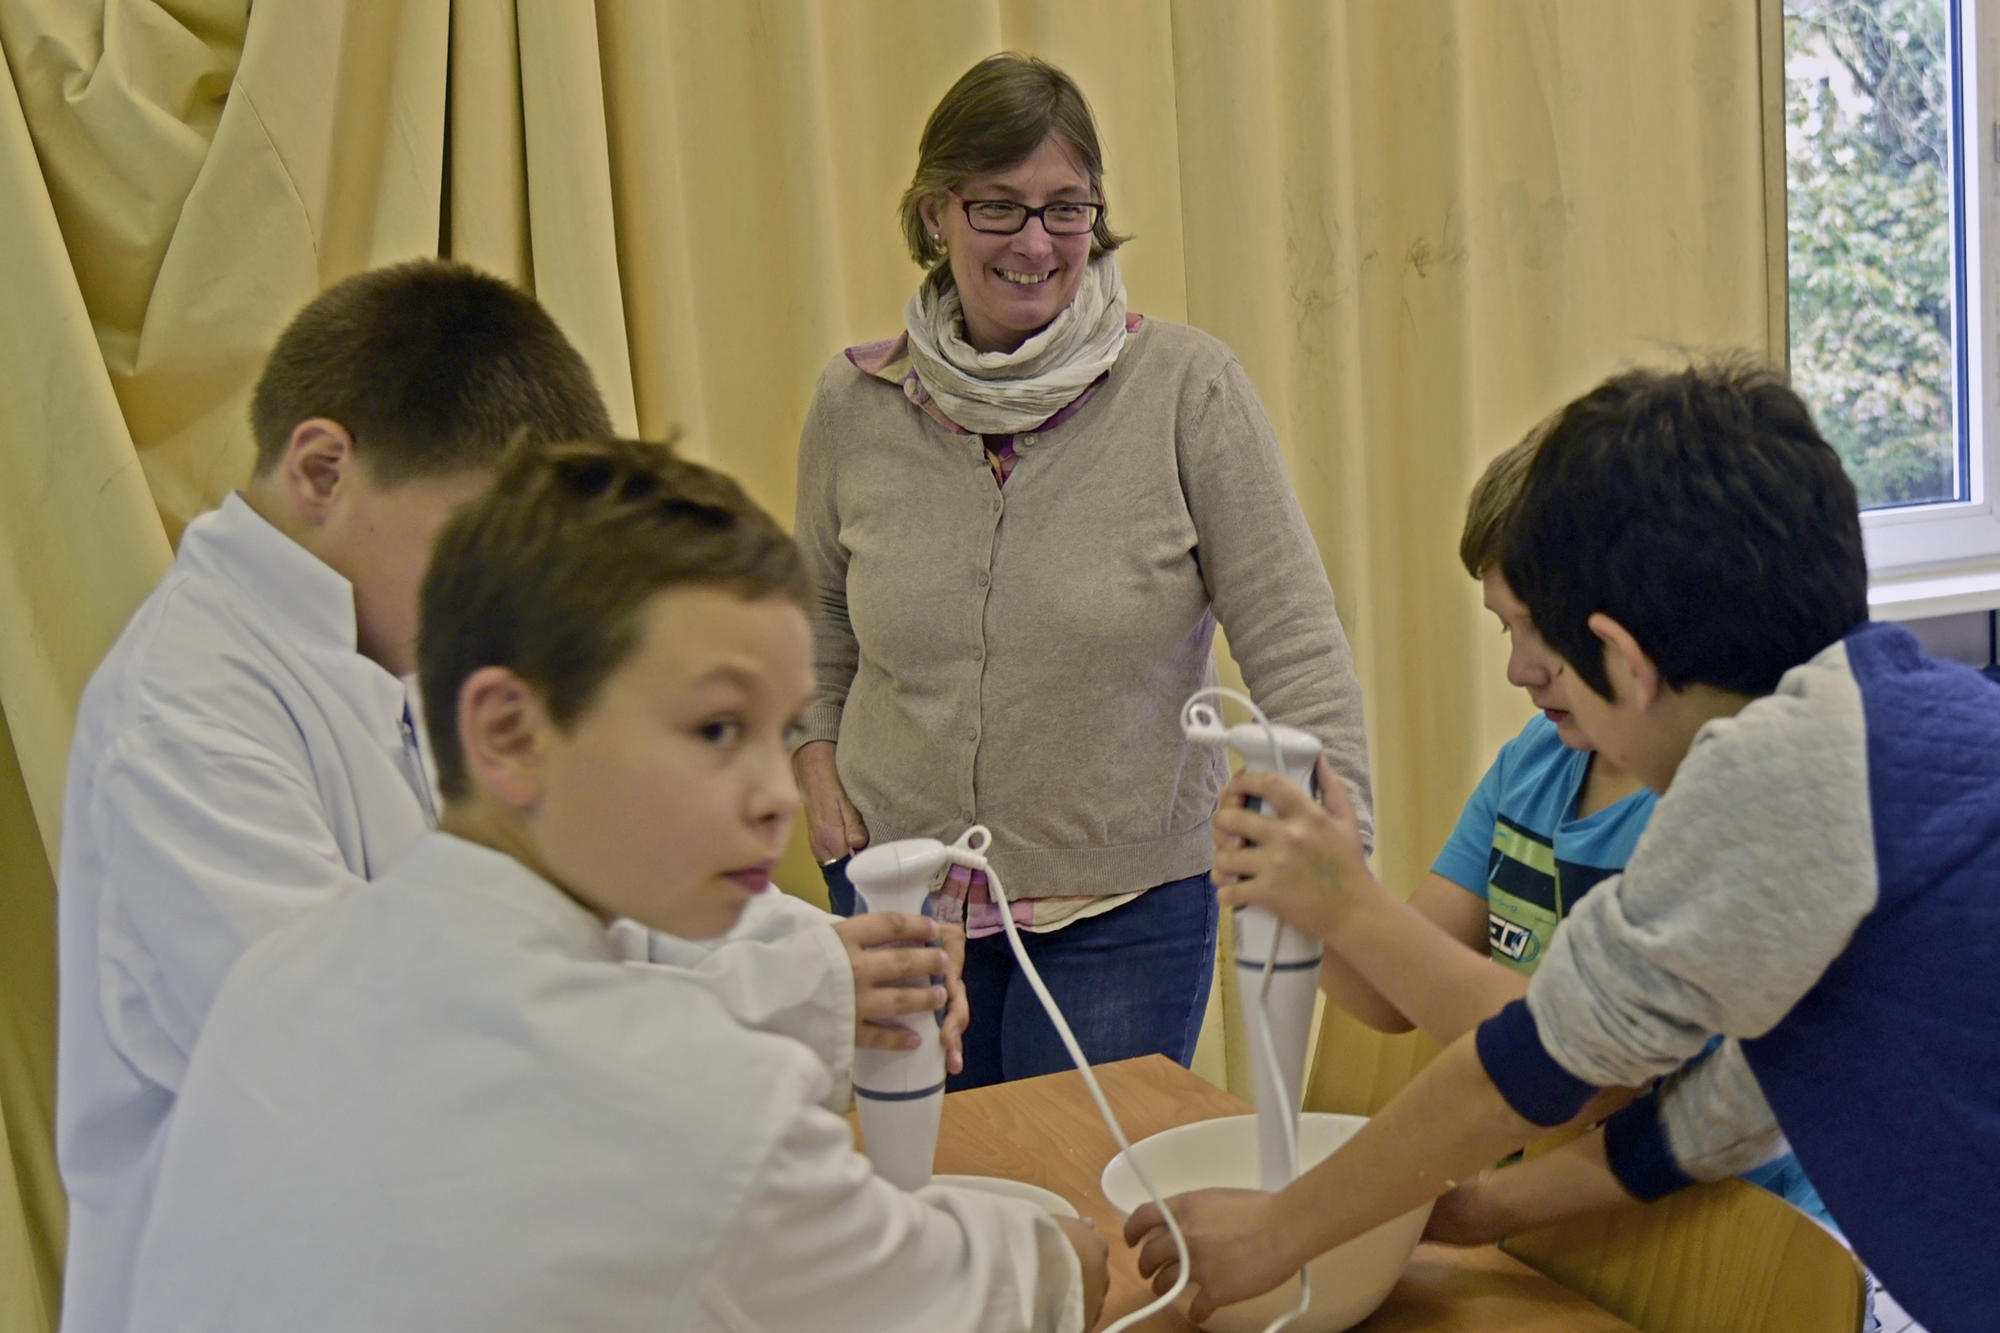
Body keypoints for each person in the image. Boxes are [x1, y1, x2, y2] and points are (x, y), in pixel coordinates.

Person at [56, 260, 962, 1333]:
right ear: (321, 469)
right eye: (480, 539)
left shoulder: (395, 639)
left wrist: (815, 953)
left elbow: (589, 877)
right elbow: (401, 1066)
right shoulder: (183, 715)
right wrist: (793, 994)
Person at [126, 436, 1109, 1333]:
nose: (775, 798)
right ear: (508, 732)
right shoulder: (698, 1112)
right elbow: (973, 1293)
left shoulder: (283, 984)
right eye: (716, 730)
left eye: (781, 734)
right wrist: (1064, 1262)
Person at [1127, 362, 2000, 1332]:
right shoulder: (1918, 721)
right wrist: (1469, 1210)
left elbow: (1541, 1060)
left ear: (1622, 662)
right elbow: (1723, 1109)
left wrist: (1277, 1233)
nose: (1527, 680)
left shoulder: (1773, 783)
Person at [793, 51, 1372, 1089]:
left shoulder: (1186, 389)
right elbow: (820, 619)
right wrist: (813, 757)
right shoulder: (853, 404)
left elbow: (1292, 639)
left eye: (1067, 209)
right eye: (997, 208)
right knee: (940, 1203)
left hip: (1124, 913)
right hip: (899, 895)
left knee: (1097, 1218)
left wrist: (1343, 855)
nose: (1035, 243)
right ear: (934, 212)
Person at [1298, 428, 1835, 1239]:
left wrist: (1346, 907)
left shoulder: (1712, 805)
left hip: (1731, 1242)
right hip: (1563, 1215)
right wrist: (1300, 887)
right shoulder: (1535, 764)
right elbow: (1385, 994)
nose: (1519, 666)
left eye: (1536, 627)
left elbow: (1581, 1065)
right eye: (1503, 628)